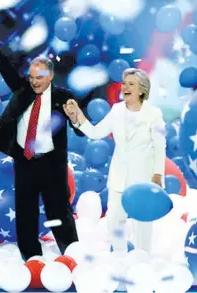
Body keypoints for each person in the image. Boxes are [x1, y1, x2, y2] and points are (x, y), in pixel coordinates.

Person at [0, 21, 81, 260]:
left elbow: (79, 129)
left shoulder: (63, 97)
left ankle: (71, 255)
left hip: (52, 164)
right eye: (31, 77)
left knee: (59, 210)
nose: (34, 81)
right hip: (25, 162)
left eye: (40, 77)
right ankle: (30, 258)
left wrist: (76, 118)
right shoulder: (22, 90)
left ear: (50, 76)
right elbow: (6, 70)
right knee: (25, 211)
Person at [63, 68, 166, 254]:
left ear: (142, 89)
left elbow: (160, 146)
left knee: (143, 222)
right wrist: (76, 116)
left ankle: (143, 259)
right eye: (124, 83)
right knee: (114, 220)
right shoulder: (117, 110)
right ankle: (120, 256)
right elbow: (96, 132)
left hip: (143, 178)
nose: (125, 87)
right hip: (119, 176)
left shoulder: (154, 114)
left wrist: (158, 175)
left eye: (131, 84)